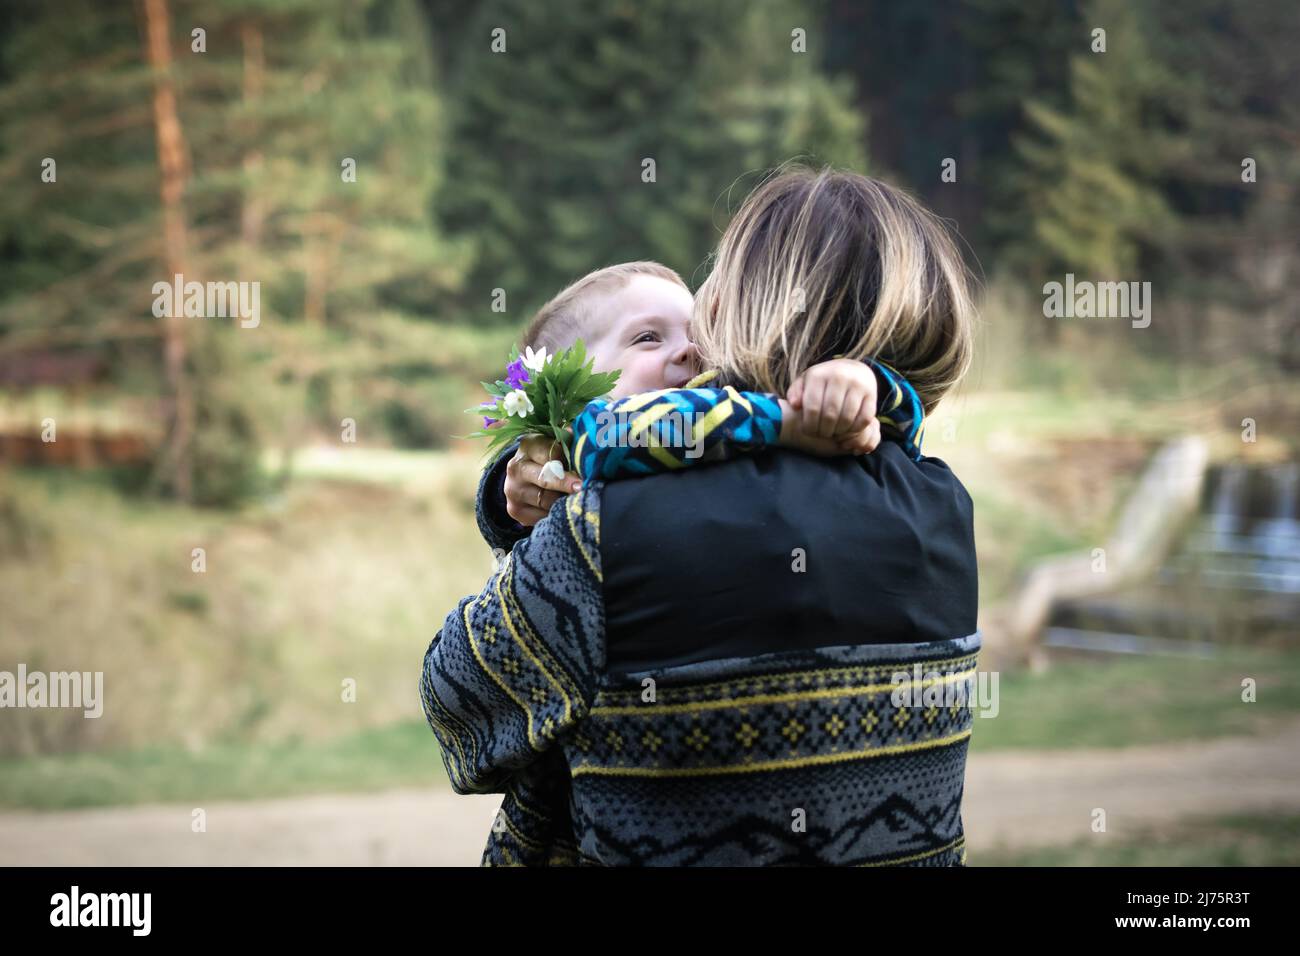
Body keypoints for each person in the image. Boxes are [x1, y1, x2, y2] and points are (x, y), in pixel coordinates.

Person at [421, 165, 980, 865]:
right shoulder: (941, 505)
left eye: (717, 278)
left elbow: (460, 707)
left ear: (756, 303)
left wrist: (534, 524)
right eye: (649, 339)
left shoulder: (607, 533)